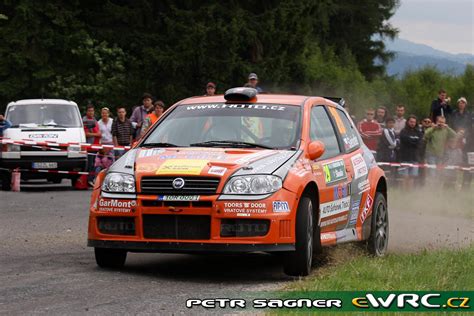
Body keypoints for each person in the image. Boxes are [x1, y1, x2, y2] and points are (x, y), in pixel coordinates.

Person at [450, 97, 473, 188]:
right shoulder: (454, 113)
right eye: (460, 102)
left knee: (467, 162)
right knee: (454, 160)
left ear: (465, 104)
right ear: (458, 104)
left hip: (467, 139)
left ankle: (466, 183)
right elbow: (451, 124)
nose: (461, 104)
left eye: (463, 103)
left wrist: (465, 133)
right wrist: (456, 133)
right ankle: (451, 183)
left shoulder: (469, 114)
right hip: (455, 137)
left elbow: (470, 126)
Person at [398, 115, 423, 189]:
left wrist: (411, 141)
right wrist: (414, 141)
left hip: (414, 157)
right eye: (411, 122)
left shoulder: (418, 132)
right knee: (404, 176)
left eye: (414, 122)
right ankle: (404, 192)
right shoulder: (403, 131)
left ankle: (409, 192)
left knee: (412, 176)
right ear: (408, 122)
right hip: (405, 157)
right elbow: (405, 140)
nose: (412, 123)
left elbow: (420, 143)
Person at [82, 104, 101, 186]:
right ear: (86, 111)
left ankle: (91, 179)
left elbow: (99, 132)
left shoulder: (94, 120)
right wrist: (96, 134)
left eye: (92, 111)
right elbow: (85, 134)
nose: (91, 112)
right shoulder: (85, 120)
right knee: (89, 164)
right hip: (88, 146)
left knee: (93, 164)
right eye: (89, 111)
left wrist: (96, 134)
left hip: (95, 146)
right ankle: (87, 180)